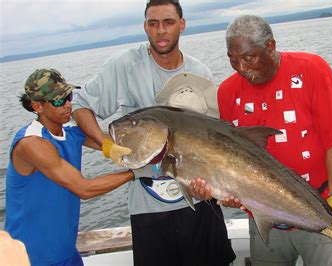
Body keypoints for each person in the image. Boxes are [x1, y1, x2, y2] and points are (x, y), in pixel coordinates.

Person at [71, 0, 235, 265]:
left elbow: (212, 142)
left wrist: (211, 188)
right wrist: (106, 144)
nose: (161, 31)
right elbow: (81, 106)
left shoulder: (199, 72)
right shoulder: (125, 66)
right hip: (149, 209)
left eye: (168, 22)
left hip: (199, 204)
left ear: (181, 25)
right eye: (153, 23)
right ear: (145, 27)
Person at [191, 15, 332, 266]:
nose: (241, 68)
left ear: (270, 46)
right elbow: (232, 160)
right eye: (233, 59)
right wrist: (229, 193)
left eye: (248, 58)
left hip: (321, 208)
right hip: (263, 219)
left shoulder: (311, 69)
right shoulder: (227, 92)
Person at [4, 69, 135, 266]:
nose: (67, 105)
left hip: (66, 253)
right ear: (37, 106)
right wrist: (134, 173)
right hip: (31, 257)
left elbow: (114, 143)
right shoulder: (31, 143)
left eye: (68, 96)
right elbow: (84, 188)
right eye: (58, 101)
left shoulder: (71, 133)